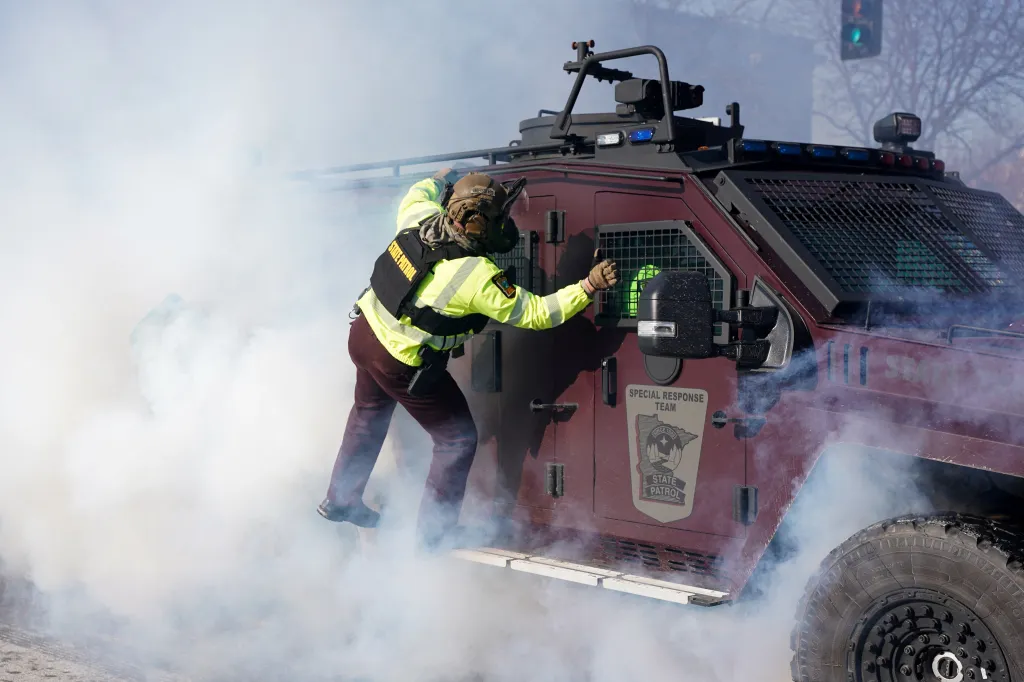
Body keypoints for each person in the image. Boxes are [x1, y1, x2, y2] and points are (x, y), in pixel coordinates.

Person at [318, 167, 619, 551]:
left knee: (367, 414)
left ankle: (340, 498)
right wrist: (588, 286)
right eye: (498, 217)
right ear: (477, 223)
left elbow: (419, 188)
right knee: (457, 440)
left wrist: (444, 177)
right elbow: (539, 314)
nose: (505, 224)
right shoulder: (475, 276)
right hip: (400, 360)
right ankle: (434, 536)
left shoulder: (417, 216)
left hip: (363, 335)